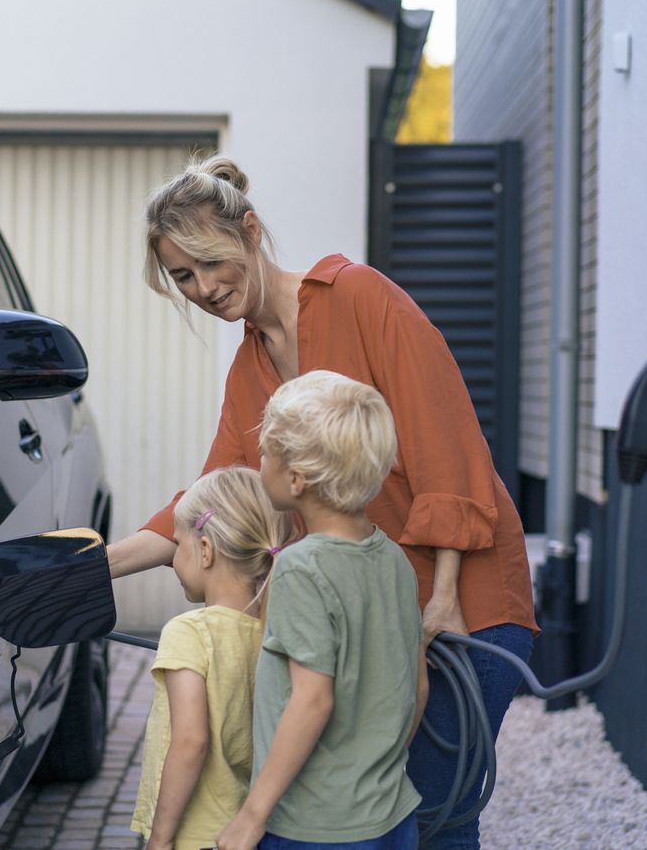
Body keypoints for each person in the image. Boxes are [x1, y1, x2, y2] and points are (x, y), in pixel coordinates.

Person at [109, 156, 539, 849]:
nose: (203, 288)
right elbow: (213, 502)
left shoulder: (359, 297)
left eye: (210, 263)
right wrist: (97, 567)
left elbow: (448, 440)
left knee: (435, 812)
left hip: (463, 606)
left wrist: (446, 597)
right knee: (388, 813)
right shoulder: (249, 367)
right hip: (375, 625)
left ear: (249, 232)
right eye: (182, 277)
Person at [217, 370, 426, 849]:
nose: (260, 458)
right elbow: (417, 684)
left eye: (267, 451)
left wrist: (252, 817)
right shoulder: (394, 558)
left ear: (296, 478)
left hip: (313, 827)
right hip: (390, 812)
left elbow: (312, 700)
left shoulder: (300, 567)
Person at [131, 466, 293, 850]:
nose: (173, 561)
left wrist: (160, 838)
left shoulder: (189, 633)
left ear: (205, 551)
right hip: (243, 827)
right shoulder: (274, 632)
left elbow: (191, 741)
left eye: (177, 546)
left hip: (192, 835)